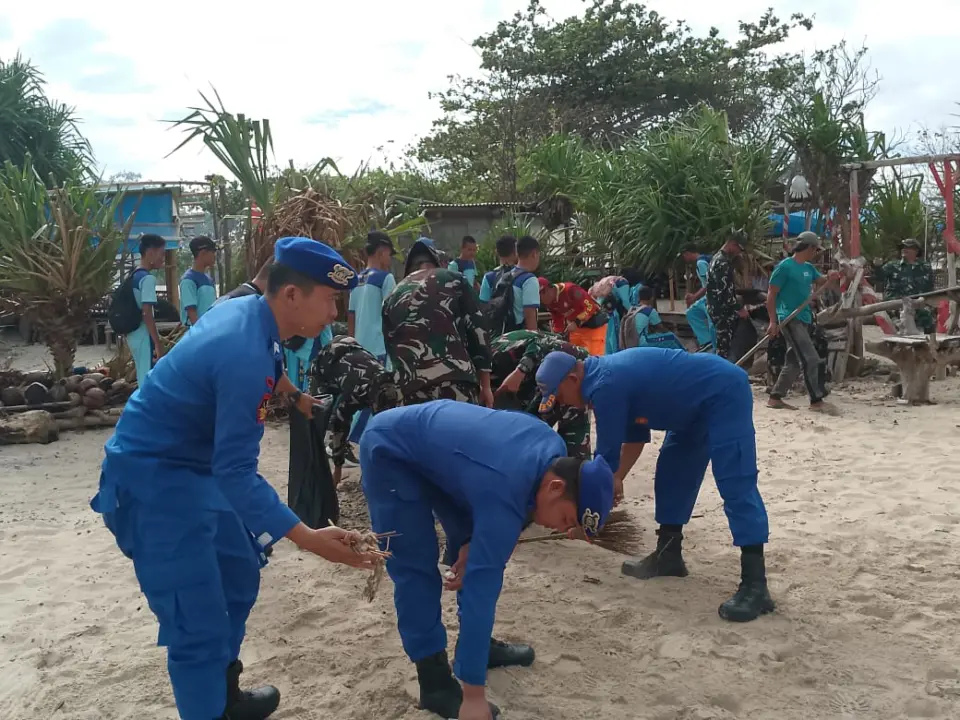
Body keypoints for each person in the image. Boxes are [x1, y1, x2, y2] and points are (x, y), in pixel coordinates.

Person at [90, 237, 381, 720]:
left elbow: (269, 366)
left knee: (239, 573)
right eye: (331, 301)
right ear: (291, 296)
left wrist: (297, 396)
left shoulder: (256, 315)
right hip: (154, 478)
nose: (335, 314)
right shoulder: (242, 344)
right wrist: (309, 538)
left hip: (197, 468)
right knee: (196, 623)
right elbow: (237, 471)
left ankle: (223, 697)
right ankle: (206, 702)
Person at [361, 400, 614, 720]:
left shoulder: (552, 450)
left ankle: (478, 648)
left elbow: (504, 501)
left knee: (475, 548)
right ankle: (434, 679)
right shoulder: (507, 484)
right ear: (555, 486)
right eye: (566, 519)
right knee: (416, 564)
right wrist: (474, 696)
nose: (563, 531)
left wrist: (471, 542)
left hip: (449, 461)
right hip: (391, 449)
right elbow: (483, 586)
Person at [535, 348, 775, 623]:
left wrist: (588, 519)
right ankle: (668, 554)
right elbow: (634, 441)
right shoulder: (605, 379)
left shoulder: (604, 386)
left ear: (573, 379)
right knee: (673, 471)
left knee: (735, 479)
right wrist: (617, 479)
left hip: (721, 393)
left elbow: (603, 462)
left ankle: (756, 585)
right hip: (688, 411)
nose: (564, 403)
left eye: (560, 394)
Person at [383, 238, 494, 406]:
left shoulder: (392, 295)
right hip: (456, 383)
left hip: (410, 391)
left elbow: (391, 349)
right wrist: (486, 386)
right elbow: (479, 331)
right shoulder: (455, 279)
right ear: (436, 262)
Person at [312, 334, 402, 486]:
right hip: (324, 369)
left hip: (349, 353)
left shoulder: (394, 387)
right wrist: (338, 469)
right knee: (318, 418)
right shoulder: (356, 393)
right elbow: (339, 424)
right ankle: (316, 466)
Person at [766, 232, 839, 412]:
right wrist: (772, 322)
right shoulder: (785, 267)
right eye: (815, 249)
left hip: (805, 317)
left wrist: (832, 275)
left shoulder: (808, 268)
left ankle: (775, 398)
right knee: (811, 359)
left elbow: (823, 280)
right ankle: (816, 401)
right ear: (809, 247)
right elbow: (771, 295)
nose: (816, 253)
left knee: (792, 361)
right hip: (790, 318)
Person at [491, 329, 591, 458]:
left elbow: (543, 343)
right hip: (523, 389)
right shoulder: (497, 360)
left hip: (546, 378)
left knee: (577, 449)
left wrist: (521, 370)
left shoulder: (571, 358)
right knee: (523, 439)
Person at [348, 230, 397, 360]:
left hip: (359, 350)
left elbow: (351, 316)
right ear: (382, 252)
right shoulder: (386, 278)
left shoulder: (355, 281)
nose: (390, 260)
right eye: (389, 254)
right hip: (379, 351)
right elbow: (391, 315)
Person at [127, 233, 167, 387]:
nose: (162, 258)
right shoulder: (148, 279)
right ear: (150, 253)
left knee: (142, 373)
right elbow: (147, 313)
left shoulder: (135, 275)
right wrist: (157, 342)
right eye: (161, 254)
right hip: (144, 334)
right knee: (147, 377)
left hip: (133, 334)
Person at [706, 230, 750, 362]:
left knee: (722, 347)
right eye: (739, 248)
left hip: (717, 309)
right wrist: (739, 308)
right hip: (723, 312)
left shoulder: (716, 259)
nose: (739, 252)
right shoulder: (722, 263)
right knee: (725, 350)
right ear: (731, 243)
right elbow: (724, 292)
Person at [876, 238, 936, 333]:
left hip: (918, 304)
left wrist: (926, 303)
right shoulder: (892, 266)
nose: (904, 249)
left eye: (908, 247)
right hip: (895, 304)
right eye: (903, 247)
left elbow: (930, 288)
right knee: (900, 327)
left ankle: (930, 345)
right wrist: (877, 267)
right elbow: (878, 278)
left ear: (916, 251)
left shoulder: (925, 267)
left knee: (929, 322)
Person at [539, 277, 608, 355]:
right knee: (574, 357)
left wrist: (577, 322)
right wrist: (557, 335)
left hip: (594, 326)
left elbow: (590, 307)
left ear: (548, 289)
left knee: (595, 357)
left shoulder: (570, 290)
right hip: (576, 330)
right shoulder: (550, 303)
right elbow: (557, 319)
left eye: (541, 295)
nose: (541, 300)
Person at [620, 286, 686, 351]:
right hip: (640, 342)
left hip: (628, 342)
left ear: (639, 297)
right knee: (671, 337)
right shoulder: (649, 310)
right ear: (651, 298)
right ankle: (684, 353)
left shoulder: (632, 309)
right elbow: (661, 328)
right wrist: (670, 332)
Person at [681, 245, 715, 350]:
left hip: (712, 297)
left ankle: (711, 342)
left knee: (710, 319)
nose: (684, 258)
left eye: (684, 256)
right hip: (708, 296)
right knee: (692, 312)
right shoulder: (704, 259)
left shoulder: (701, 263)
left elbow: (709, 284)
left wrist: (694, 297)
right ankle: (706, 340)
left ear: (687, 253)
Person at [179, 236, 218, 327]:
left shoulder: (209, 280)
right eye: (213, 252)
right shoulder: (188, 280)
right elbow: (192, 314)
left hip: (209, 330)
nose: (214, 255)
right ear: (203, 253)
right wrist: (200, 334)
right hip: (197, 334)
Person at [478, 235, 518, 302]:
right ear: (515, 252)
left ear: (497, 252)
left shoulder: (489, 277)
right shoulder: (522, 275)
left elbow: (483, 303)